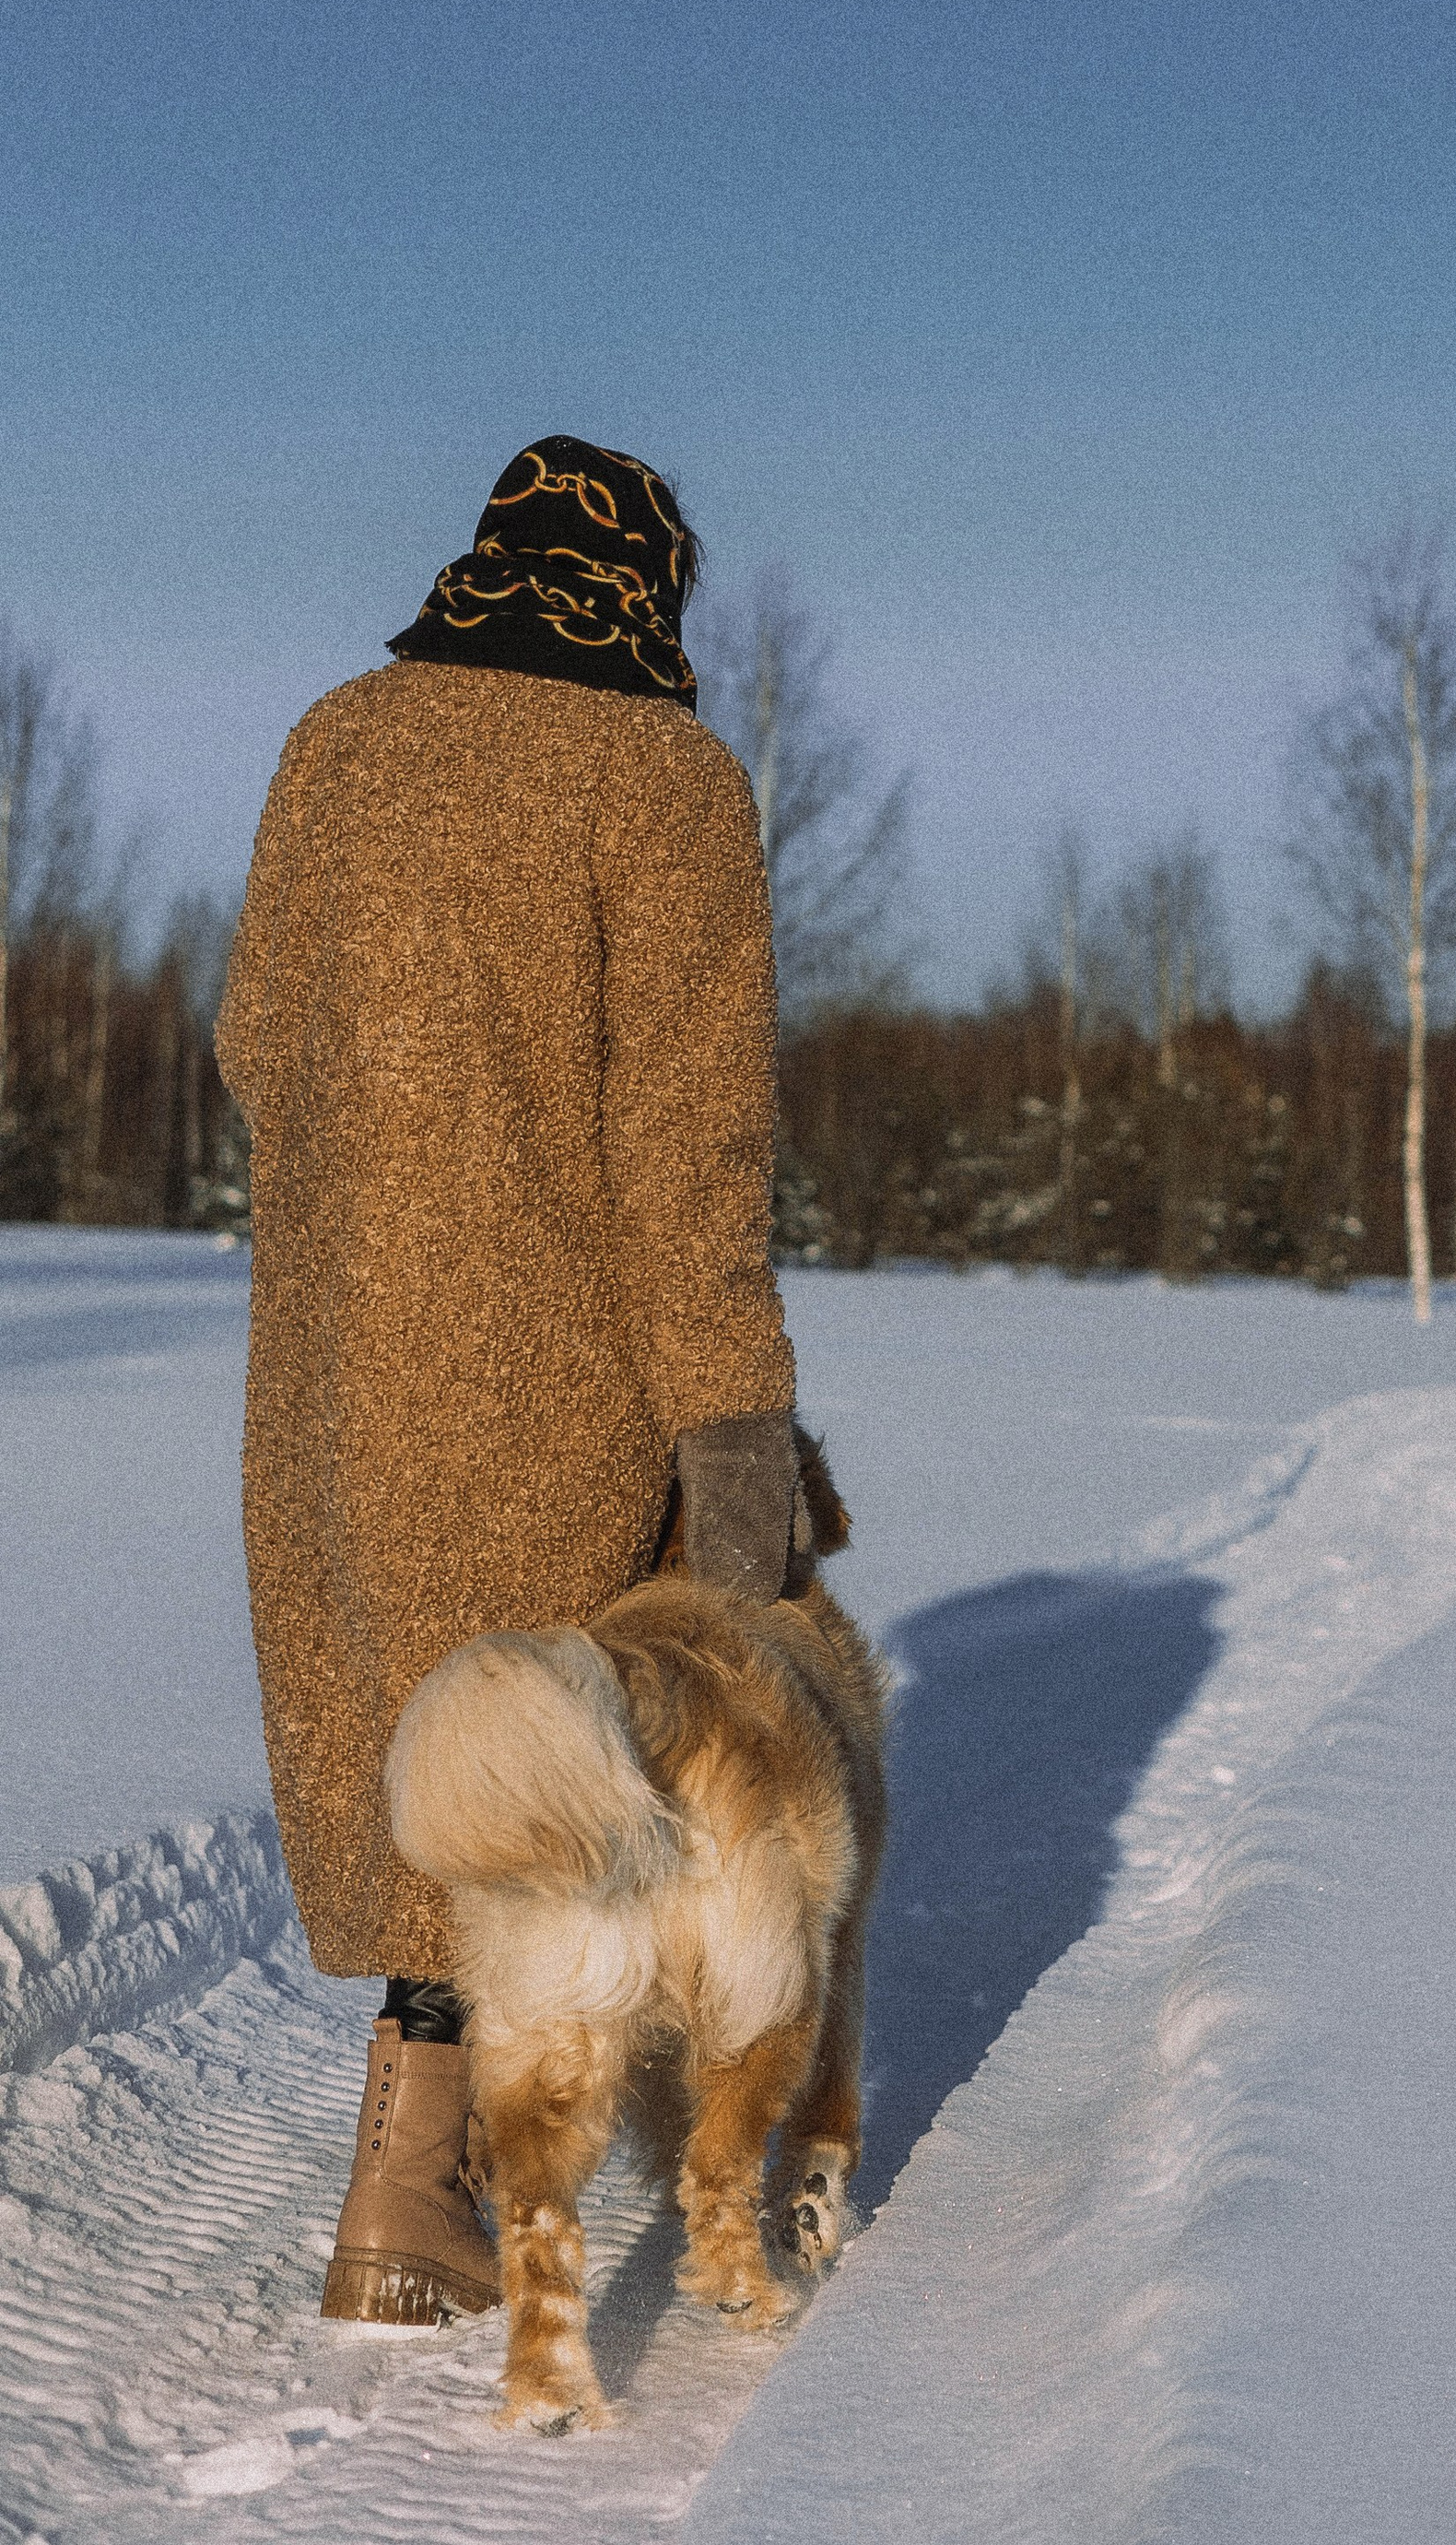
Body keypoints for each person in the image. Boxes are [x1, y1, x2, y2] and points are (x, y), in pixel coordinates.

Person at [217, 436, 805, 2326]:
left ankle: (411, 2171)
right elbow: (691, 1131)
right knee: (535, 1749)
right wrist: (734, 1414)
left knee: (414, 1730)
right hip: (561, 1350)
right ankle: (441, 2174)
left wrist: (362, 1207)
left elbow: (248, 1032)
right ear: (649, 585)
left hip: (335, 1347)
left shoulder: (341, 736)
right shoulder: (667, 778)